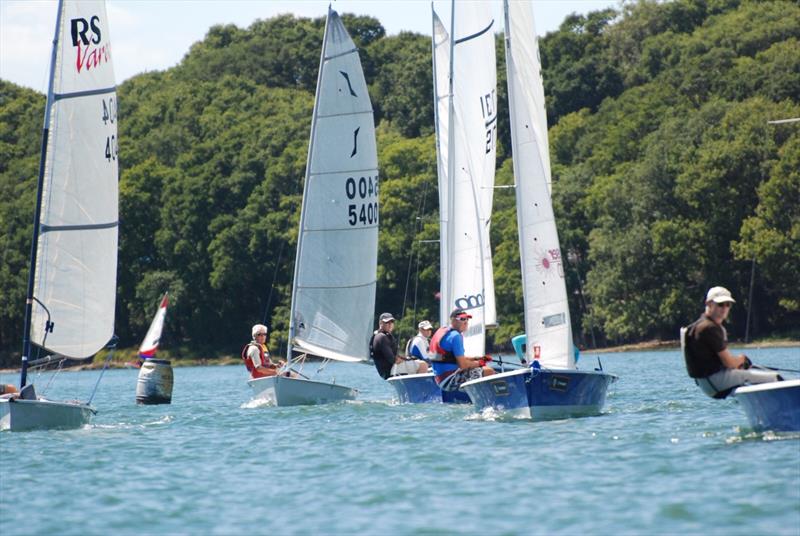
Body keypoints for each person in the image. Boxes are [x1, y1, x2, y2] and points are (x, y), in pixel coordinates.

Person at [684, 286, 781, 399]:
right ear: (709, 304)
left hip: (707, 383)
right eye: (720, 304)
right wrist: (742, 359)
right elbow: (729, 363)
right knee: (775, 378)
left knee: (756, 373)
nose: (724, 308)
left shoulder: (699, 325)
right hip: (716, 382)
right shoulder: (709, 328)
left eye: (728, 304)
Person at [430, 308, 495, 391]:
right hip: (449, 380)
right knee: (489, 371)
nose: (466, 322)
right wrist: (480, 363)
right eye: (462, 319)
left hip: (440, 379)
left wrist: (476, 358)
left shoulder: (443, 331)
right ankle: (488, 400)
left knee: (481, 369)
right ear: (453, 320)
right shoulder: (455, 336)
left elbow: (453, 358)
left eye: (467, 319)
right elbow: (463, 365)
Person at [370, 312, 429, 379]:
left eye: (392, 322)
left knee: (418, 363)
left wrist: (406, 359)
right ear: (381, 323)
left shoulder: (381, 335)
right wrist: (403, 360)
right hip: (391, 370)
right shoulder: (381, 337)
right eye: (387, 322)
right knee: (423, 365)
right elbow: (393, 359)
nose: (390, 324)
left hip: (388, 370)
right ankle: (419, 389)